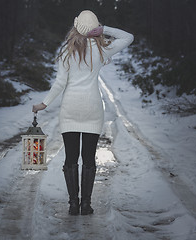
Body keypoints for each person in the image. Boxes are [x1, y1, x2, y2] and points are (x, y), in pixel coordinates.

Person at [33, 10, 134, 215]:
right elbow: (128, 37)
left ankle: (73, 204)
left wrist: (44, 104)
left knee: (71, 158)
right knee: (89, 158)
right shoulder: (102, 50)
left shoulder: (66, 51)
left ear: (76, 27)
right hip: (93, 108)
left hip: (70, 108)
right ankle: (86, 204)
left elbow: (60, 83)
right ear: (95, 29)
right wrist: (104, 30)